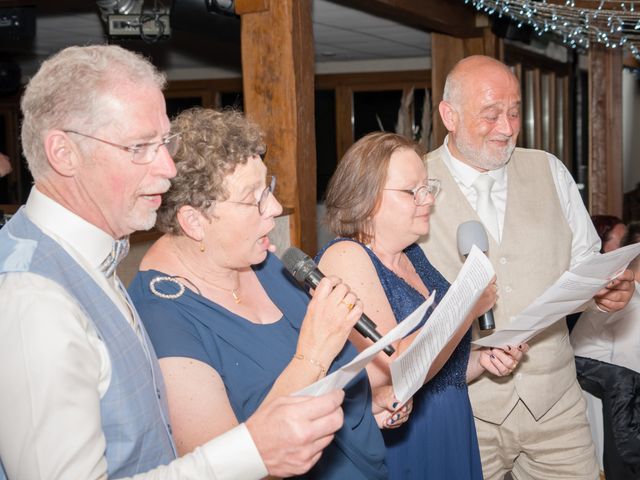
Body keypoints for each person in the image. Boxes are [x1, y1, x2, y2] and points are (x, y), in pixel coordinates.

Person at [0, 45, 345, 480]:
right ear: (64, 153)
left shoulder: (92, 257)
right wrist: (250, 452)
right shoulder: (35, 298)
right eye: (141, 147)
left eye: (165, 142)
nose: (166, 168)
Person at [129, 108, 396, 479]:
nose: (272, 208)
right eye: (252, 199)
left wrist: (368, 403)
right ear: (194, 222)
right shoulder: (161, 318)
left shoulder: (267, 263)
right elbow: (224, 466)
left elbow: (332, 382)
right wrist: (314, 352)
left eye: (267, 188)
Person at [418, 54, 636, 480]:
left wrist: (607, 295)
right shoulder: (415, 183)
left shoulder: (549, 170)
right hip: (464, 412)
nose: (507, 127)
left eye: (514, 112)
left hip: (555, 406)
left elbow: (586, 265)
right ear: (449, 115)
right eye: (491, 114)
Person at [316, 131, 528, 479]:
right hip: (401, 437)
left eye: (428, 188)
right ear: (365, 197)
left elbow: (439, 369)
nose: (427, 199)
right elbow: (395, 368)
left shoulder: (413, 255)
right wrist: (467, 309)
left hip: (449, 422)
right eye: (412, 191)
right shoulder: (346, 257)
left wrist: (481, 360)